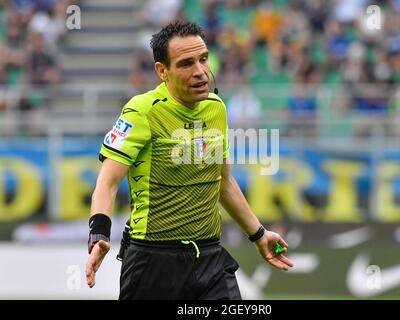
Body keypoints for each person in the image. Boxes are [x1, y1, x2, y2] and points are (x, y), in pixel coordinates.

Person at [85, 21, 293, 300]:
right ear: (162, 71)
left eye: (204, 59)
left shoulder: (216, 108)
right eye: (186, 64)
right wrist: (99, 233)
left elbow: (223, 181)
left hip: (210, 260)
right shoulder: (142, 111)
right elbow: (108, 182)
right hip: (153, 263)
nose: (200, 72)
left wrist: (258, 234)